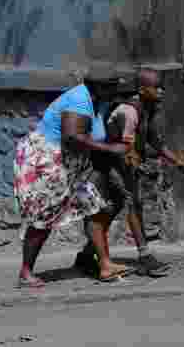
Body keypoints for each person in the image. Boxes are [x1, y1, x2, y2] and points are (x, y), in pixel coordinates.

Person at [14, 73, 131, 287]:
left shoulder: (100, 101)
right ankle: (25, 272)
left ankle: (103, 264)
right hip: (49, 162)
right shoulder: (79, 100)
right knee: (43, 219)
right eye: (113, 86)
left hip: (73, 165)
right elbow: (72, 136)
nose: (117, 90)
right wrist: (111, 149)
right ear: (99, 87)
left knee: (96, 207)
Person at [74, 68, 184, 278]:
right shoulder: (130, 111)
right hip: (109, 163)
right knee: (131, 202)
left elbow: (154, 140)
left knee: (114, 207)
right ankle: (145, 256)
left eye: (162, 87)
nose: (162, 91)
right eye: (156, 87)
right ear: (141, 89)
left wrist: (176, 161)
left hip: (122, 162)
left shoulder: (148, 108)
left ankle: (87, 254)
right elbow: (125, 148)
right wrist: (135, 167)